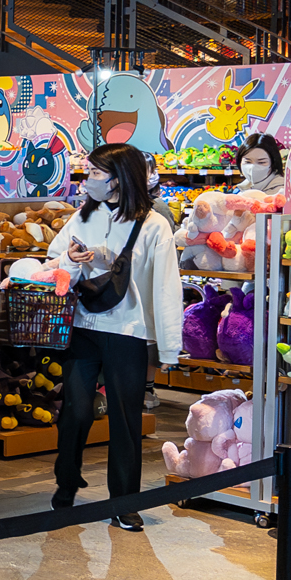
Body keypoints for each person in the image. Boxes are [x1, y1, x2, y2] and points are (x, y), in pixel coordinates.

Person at [45, 143, 184, 527]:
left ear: (118, 178)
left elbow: (166, 287)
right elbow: (52, 264)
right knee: (75, 411)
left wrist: (169, 346)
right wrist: (69, 261)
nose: (87, 179)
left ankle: (124, 503)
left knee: (126, 419)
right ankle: (66, 484)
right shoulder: (82, 217)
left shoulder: (154, 225)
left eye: (94, 172)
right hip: (83, 327)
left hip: (128, 332)